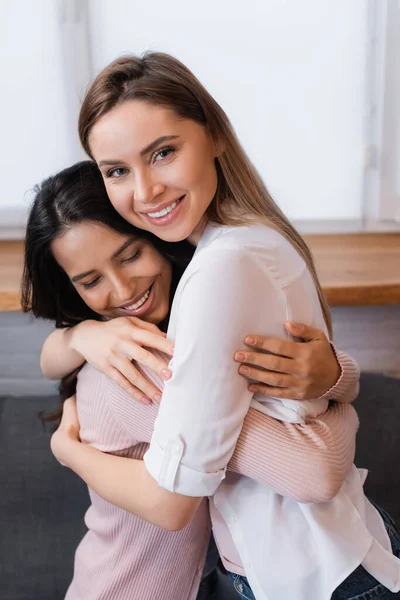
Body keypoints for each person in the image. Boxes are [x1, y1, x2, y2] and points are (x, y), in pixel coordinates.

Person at [48, 53, 400, 599]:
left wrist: (335, 375)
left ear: (211, 135)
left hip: (314, 570)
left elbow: (310, 462)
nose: (144, 193)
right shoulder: (134, 362)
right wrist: (66, 435)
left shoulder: (221, 265)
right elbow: (314, 467)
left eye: (162, 153)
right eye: (117, 171)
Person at [21, 161, 359, 600]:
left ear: (160, 236)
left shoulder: (200, 329)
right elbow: (314, 472)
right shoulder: (137, 371)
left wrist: (335, 375)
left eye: (130, 255)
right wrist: (346, 409)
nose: (123, 291)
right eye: (90, 281)